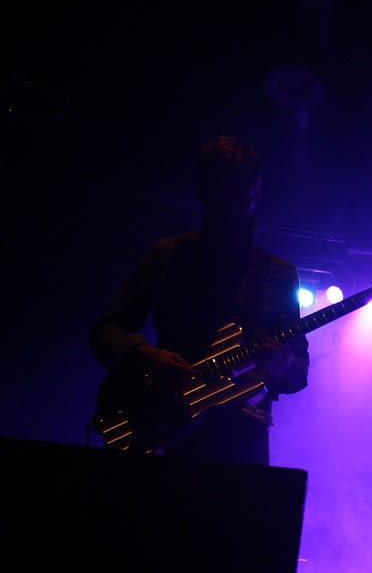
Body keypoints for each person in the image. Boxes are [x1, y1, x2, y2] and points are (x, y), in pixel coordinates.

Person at [92, 135, 309, 465]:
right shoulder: (169, 254)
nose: (231, 211)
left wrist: (284, 364)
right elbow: (107, 332)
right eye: (222, 199)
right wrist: (148, 357)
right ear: (203, 194)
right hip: (165, 427)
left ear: (257, 190)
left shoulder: (278, 274)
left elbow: (298, 372)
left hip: (242, 442)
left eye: (241, 198)